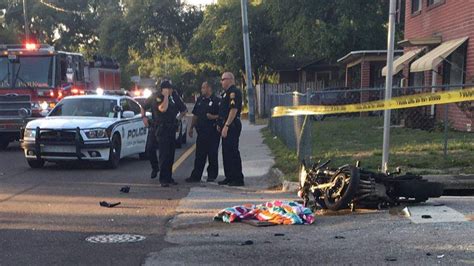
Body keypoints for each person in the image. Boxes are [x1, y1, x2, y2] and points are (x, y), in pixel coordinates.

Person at [141, 80, 187, 187]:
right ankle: (159, 172)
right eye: (169, 89)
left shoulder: (175, 96)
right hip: (158, 127)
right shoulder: (156, 97)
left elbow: (184, 110)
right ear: (164, 89)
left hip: (170, 128)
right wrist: (143, 117)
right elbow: (162, 108)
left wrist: (178, 119)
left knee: (169, 154)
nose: (171, 90)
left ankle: (168, 177)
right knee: (152, 150)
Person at [185, 82, 221, 183]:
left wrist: (213, 117)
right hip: (201, 132)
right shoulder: (200, 100)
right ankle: (196, 176)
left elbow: (222, 115)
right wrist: (191, 127)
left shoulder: (217, 101)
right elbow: (195, 115)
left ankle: (212, 175)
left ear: (209, 88)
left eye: (203, 88)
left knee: (212, 155)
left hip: (213, 132)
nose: (202, 90)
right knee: (200, 155)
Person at [217, 72, 245, 186]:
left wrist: (227, 126)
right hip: (225, 124)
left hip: (232, 125)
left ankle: (237, 178)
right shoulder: (226, 93)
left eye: (223, 79)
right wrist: (220, 124)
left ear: (230, 79)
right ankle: (229, 176)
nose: (221, 81)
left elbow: (233, 110)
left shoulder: (234, 92)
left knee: (232, 152)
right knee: (226, 153)